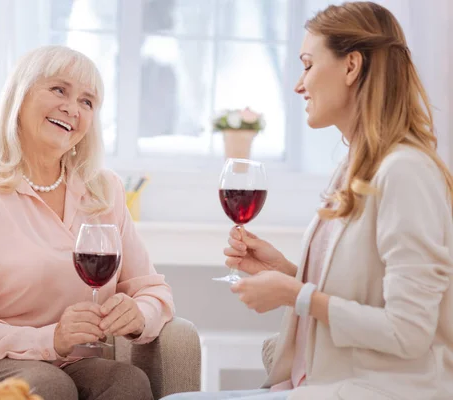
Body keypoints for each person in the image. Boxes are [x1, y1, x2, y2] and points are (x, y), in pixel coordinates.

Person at [163, 1, 453, 399]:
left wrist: (294, 294)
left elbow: (409, 332)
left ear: (351, 67)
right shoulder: (355, 166)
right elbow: (367, 293)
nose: (299, 85)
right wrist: (287, 271)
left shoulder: (405, 172)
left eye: (307, 64)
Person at [0, 45, 175, 400]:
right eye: (59, 90)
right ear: (19, 97)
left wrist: (139, 314)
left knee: (127, 382)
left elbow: (153, 291)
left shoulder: (104, 191)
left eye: (87, 102)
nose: (72, 108)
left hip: (62, 359)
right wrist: (50, 339)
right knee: (48, 386)